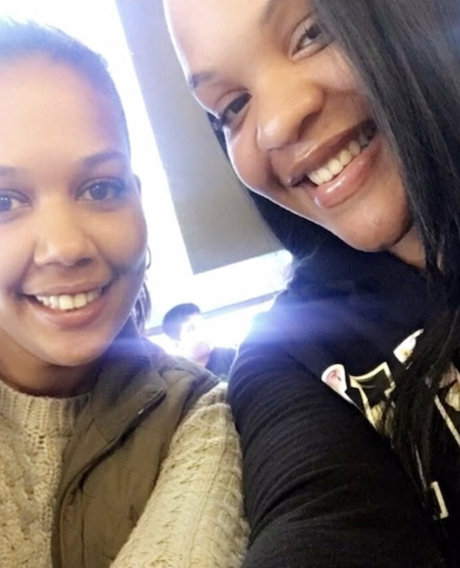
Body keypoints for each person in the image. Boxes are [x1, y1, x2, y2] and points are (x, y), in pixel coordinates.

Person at [164, 0, 460, 566]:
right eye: (233, 106)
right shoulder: (290, 355)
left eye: (312, 33)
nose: (276, 124)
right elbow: (318, 518)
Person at [0, 19, 247, 567]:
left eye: (100, 188)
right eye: (5, 202)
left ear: (137, 199)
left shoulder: (194, 416)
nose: (65, 246)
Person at [162, 302, 237, 379]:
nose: (202, 331)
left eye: (201, 323)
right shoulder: (177, 375)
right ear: (177, 344)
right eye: (191, 328)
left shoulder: (231, 356)